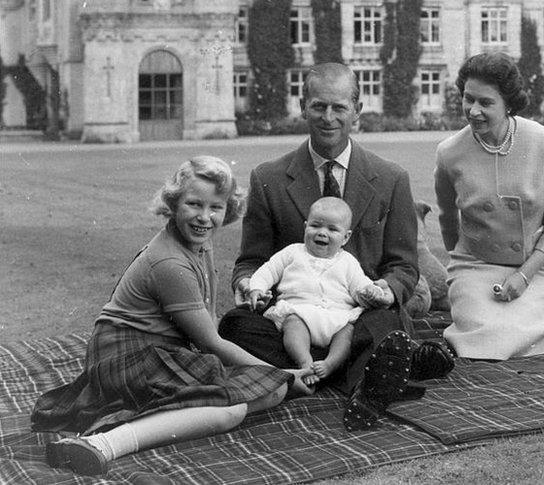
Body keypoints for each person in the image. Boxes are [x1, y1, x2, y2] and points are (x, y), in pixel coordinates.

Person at [31, 156, 310, 476]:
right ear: (174, 204)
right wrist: (287, 373)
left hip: (157, 350)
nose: (205, 218)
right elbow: (212, 343)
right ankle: (103, 443)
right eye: (194, 204)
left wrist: (276, 377)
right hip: (124, 353)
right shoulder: (169, 263)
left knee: (269, 389)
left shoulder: (199, 244)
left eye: (215, 207)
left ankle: (145, 416)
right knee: (231, 411)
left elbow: (210, 320)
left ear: (227, 209)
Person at [218, 62, 454, 431]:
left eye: (339, 107)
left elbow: (404, 267)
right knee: (234, 326)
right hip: (293, 321)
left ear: (357, 111)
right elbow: (251, 261)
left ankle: (308, 374)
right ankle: (371, 373)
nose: (328, 117)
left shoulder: (391, 178)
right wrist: (248, 286)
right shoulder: (268, 178)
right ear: (303, 106)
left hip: (359, 318)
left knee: (386, 322)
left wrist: (385, 291)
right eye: (318, 106)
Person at [434, 52, 544, 360]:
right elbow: (447, 219)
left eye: (485, 103)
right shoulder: (449, 153)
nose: (473, 111)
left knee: (522, 334)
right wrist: (464, 266)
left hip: (532, 268)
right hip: (474, 265)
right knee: (483, 332)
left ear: (509, 103)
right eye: (468, 99)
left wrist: (525, 275)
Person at [246, 197, 393, 386]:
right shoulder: (292, 252)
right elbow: (268, 270)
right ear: (305, 227)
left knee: (347, 332)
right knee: (293, 325)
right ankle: (305, 362)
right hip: (300, 311)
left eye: (332, 229)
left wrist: (371, 291)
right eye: (316, 226)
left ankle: (331, 363)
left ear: (346, 237)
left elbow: (360, 284)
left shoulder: (347, 261)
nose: (322, 233)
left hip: (337, 317)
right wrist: (257, 288)